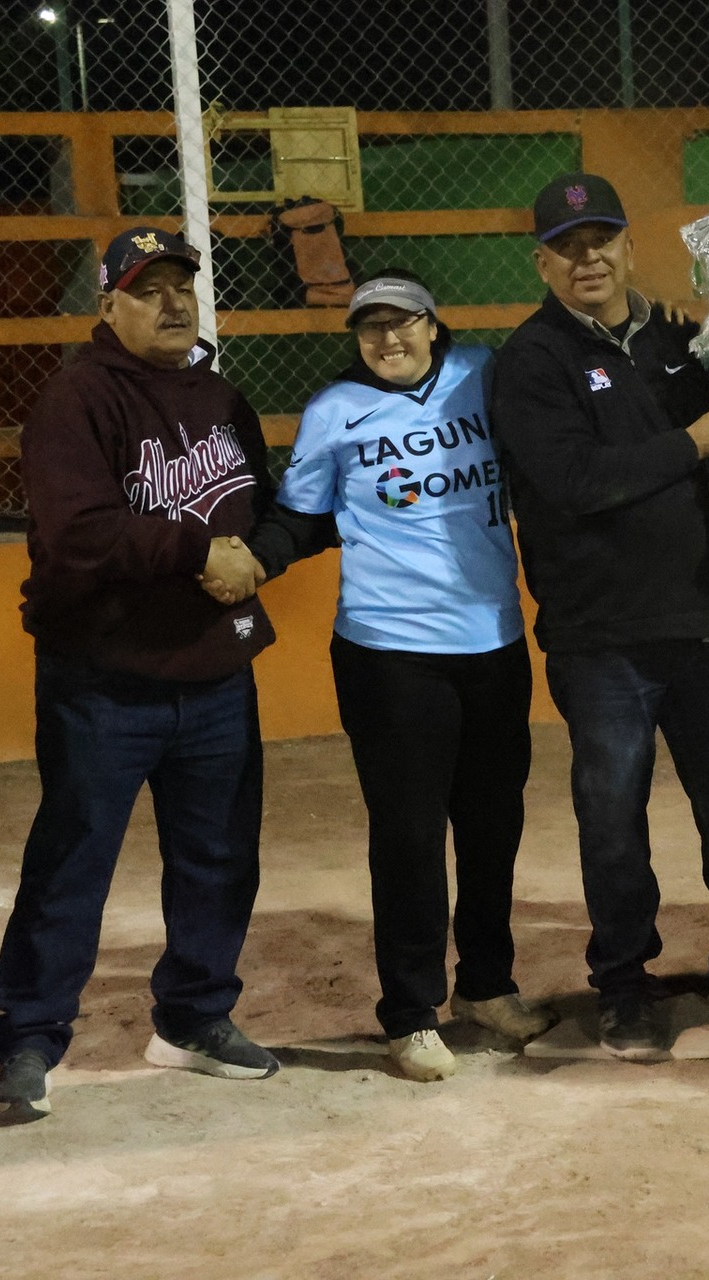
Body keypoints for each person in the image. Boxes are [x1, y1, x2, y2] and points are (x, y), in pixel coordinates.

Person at [491, 172, 709, 1060]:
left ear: (629, 247)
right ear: (542, 263)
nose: (587, 259)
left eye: (602, 240)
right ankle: (624, 985)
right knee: (612, 821)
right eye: (567, 247)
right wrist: (691, 442)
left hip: (705, 619)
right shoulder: (532, 362)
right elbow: (572, 483)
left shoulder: (684, 340)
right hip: (602, 641)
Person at [0, 228, 281, 1123]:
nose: (173, 302)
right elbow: (80, 531)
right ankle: (31, 1038)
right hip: (104, 680)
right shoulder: (76, 400)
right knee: (73, 860)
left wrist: (253, 558)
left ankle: (194, 1017)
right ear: (108, 304)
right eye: (149, 288)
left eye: (183, 284)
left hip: (216, 674)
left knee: (221, 859)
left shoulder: (223, 398)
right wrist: (202, 550)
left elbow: (253, 509)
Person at [241, 271, 551, 1082]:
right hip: (388, 652)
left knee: (493, 825)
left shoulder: (481, 375)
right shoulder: (335, 411)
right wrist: (252, 560)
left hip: (492, 639)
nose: (388, 341)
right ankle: (411, 1014)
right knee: (411, 835)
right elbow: (302, 516)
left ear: (432, 325)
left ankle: (487, 986)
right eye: (370, 329)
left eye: (402, 324)